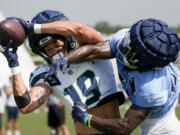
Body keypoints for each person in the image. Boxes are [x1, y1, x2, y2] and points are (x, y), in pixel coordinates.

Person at [45, 18, 180, 135]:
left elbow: (124, 128)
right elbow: (95, 50)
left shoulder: (151, 87)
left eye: (131, 50)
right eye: (129, 40)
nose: (123, 46)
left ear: (145, 63)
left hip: (160, 129)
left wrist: (86, 118)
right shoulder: (132, 42)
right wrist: (66, 60)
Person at [0, 10, 125, 135]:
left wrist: (34, 28)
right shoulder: (46, 72)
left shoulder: (92, 48)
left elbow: (79, 28)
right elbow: (26, 106)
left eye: (56, 44)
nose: (54, 51)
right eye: (48, 49)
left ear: (66, 38)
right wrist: (14, 66)